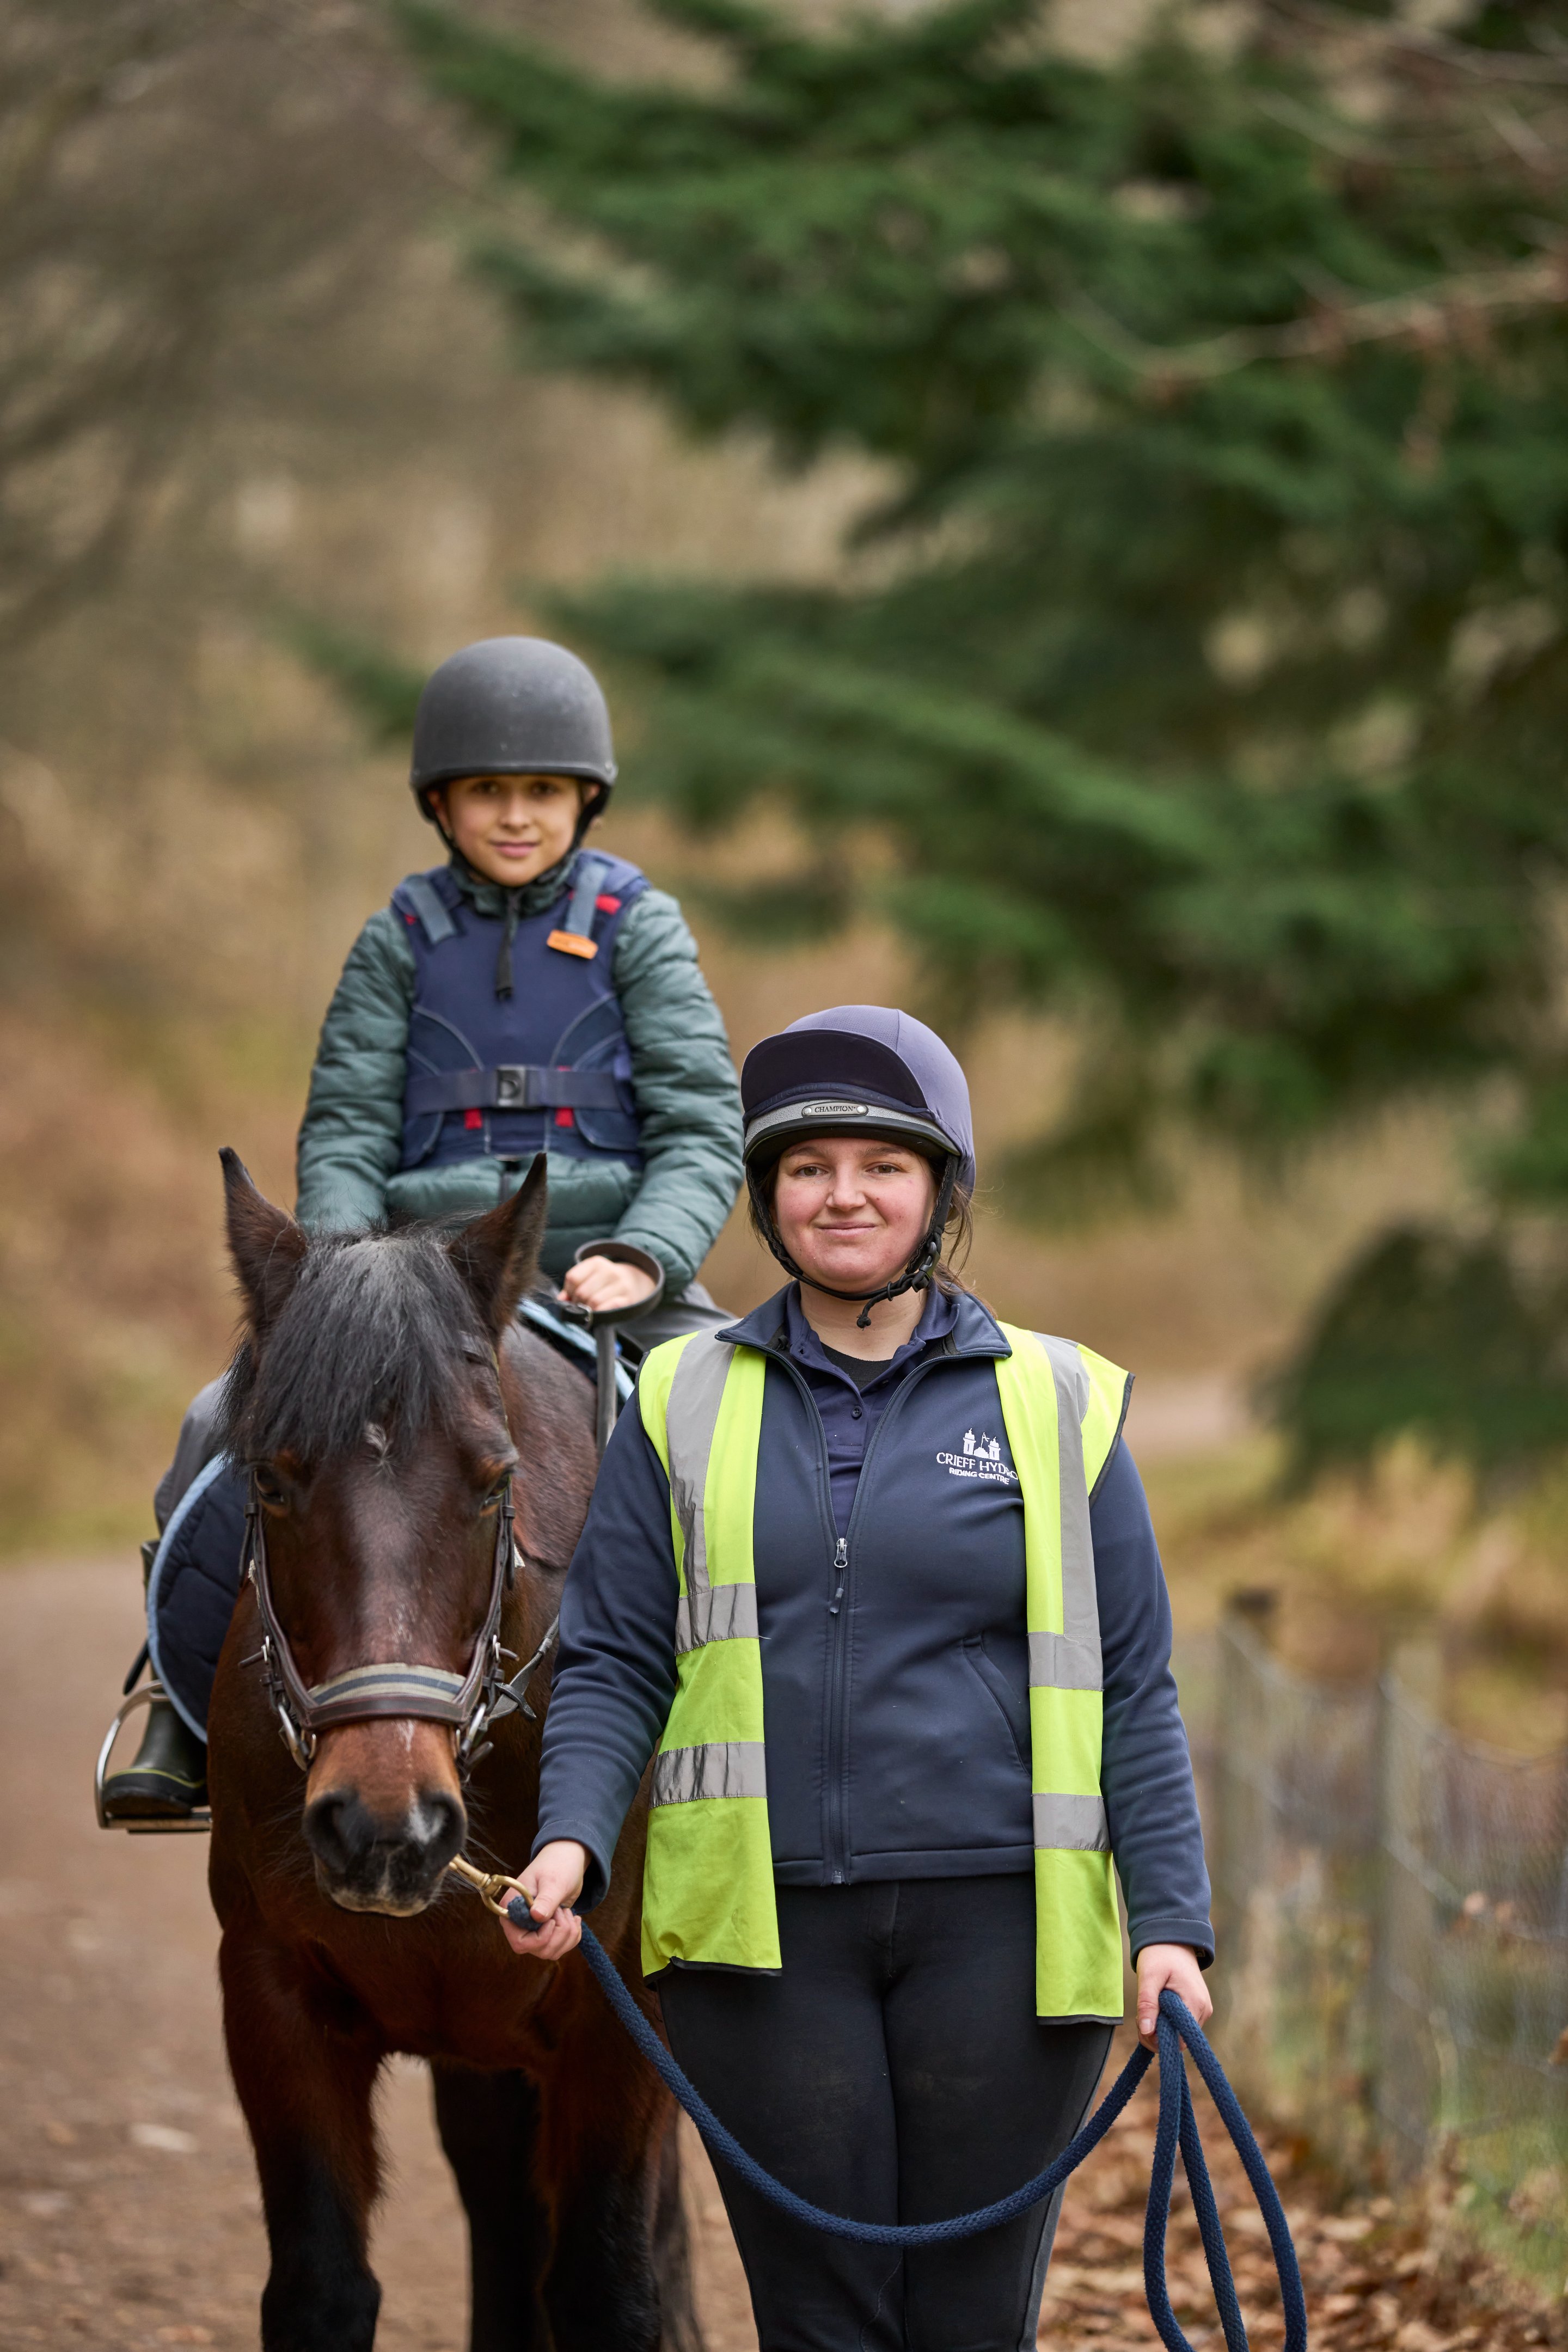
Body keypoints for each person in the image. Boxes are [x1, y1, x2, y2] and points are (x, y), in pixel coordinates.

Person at [499, 1003, 1214, 2352]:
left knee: (967, 2325)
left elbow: (1134, 1683)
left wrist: (1171, 1923)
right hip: (757, 1943)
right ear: (768, 1197)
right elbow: (611, 1656)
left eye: (883, 1165)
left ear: (939, 1190)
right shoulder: (680, 1398)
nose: (845, 1195)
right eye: (808, 1166)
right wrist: (573, 1843)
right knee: (819, 2324)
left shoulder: (1060, 1403)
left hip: (1003, 1934)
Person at [102, 636, 744, 1819]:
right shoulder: (397, 937)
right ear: (440, 804)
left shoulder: (636, 928)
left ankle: (772, 1737)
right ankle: (176, 1711)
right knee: (213, 1420)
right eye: (487, 792)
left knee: (755, 1439)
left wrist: (647, 1249)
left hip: (612, 1269)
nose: (515, 815)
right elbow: (345, 1122)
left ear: (584, 801)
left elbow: (706, 1125)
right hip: (409, 1282)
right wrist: (340, 1279)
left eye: (541, 793)